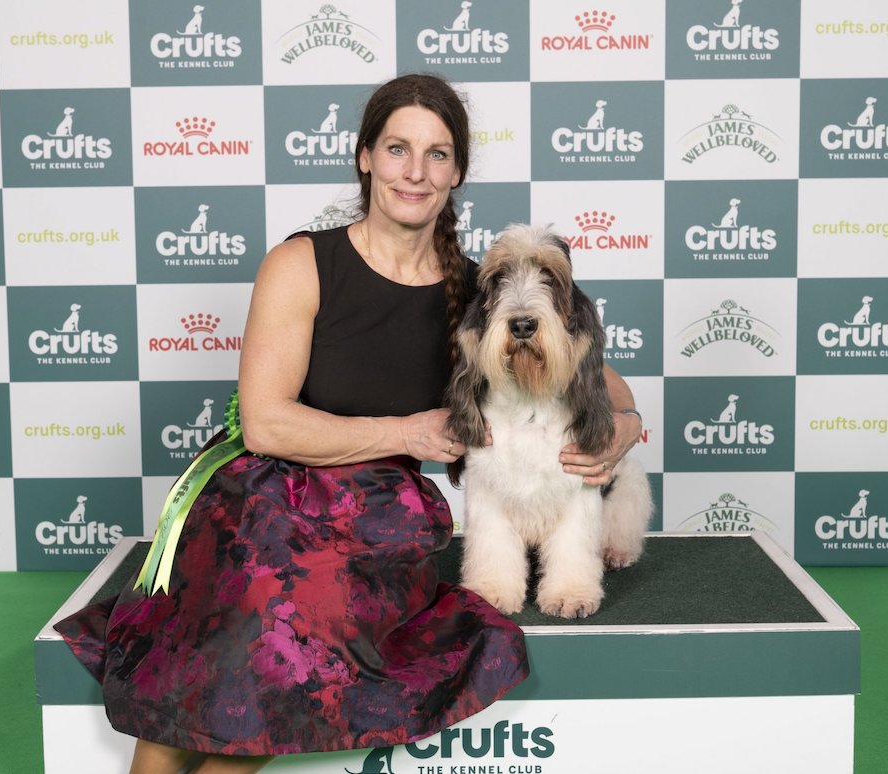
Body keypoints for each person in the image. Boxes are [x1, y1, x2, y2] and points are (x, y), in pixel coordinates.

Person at [54, 73, 643, 774]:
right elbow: (267, 424)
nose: (415, 172)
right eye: (398, 148)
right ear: (365, 156)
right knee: (224, 639)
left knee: (267, 652)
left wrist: (628, 423)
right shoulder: (302, 263)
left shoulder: (475, 288)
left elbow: (588, 367)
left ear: (457, 171)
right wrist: (407, 434)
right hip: (257, 496)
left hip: (372, 521)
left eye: (437, 154)